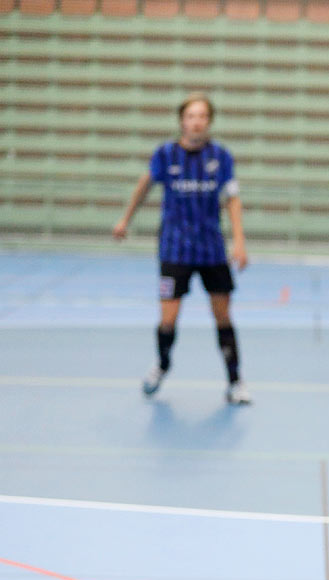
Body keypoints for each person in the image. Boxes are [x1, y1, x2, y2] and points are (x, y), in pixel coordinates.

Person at [113, 92, 251, 405]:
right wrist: (125, 218)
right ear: (181, 121)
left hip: (212, 251)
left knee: (223, 316)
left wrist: (239, 241)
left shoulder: (221, 157)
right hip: (175, 250)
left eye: (202, 116)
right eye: (191, 116)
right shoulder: (165, 155)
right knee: (168, 319)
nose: (196, 121)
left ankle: (235, 380)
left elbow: (232, 199)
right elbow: (144, 185)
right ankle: (162, 365)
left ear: (209, 121)